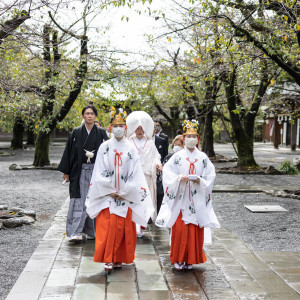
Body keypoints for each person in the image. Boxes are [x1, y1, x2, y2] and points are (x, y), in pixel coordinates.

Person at [85, 108, 154, 272]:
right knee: (107, 227)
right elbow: (99, 170)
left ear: (125, 128)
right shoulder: (104, 147)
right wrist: (109, 189)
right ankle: (108, 258)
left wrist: (126, 191)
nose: (118, 128)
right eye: (115, 125)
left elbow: (135, 172)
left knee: (123, 228)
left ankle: (120, 258)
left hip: (125, 195)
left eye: (121, 125)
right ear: (110, 127)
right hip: (107, 195)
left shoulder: (131, 148)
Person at [155, 120, 220, 271]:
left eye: (194, 136)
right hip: (182, 198)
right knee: (180, 229)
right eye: (188, 136)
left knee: (194, 229)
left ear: (197, 138)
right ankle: (178, 258)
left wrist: (200, 180)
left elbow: (210, 175)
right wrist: (178, 179)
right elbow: (168, 173)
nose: (191, 138)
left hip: (196, 198)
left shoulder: (203, 157)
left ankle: (191, 259)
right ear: (183, 138)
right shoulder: (177, 157)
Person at [58, 104, 108, 242]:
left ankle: (93, 231)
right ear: (83, 116)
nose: (90, 116)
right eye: (87, 113)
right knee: (79, 201)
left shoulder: (101, 133)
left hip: (96, 171)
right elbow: (69, 151)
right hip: (79, 171)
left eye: (92, 113)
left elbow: (107, 153)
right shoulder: (76, 132)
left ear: (95, 116)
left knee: (95, 199)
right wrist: (67, 172)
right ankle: (75, 232)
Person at [126, 111, 162, 229]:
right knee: (134, 198)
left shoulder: (150, 142)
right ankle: (134, 223)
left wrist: (157, 163)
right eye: (137, 128)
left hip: (147, 174)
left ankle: (143, 222)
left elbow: (156, 156)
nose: (139, 131)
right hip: (134, 174)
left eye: (141, 128)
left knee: (146, 198)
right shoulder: (129, 141)